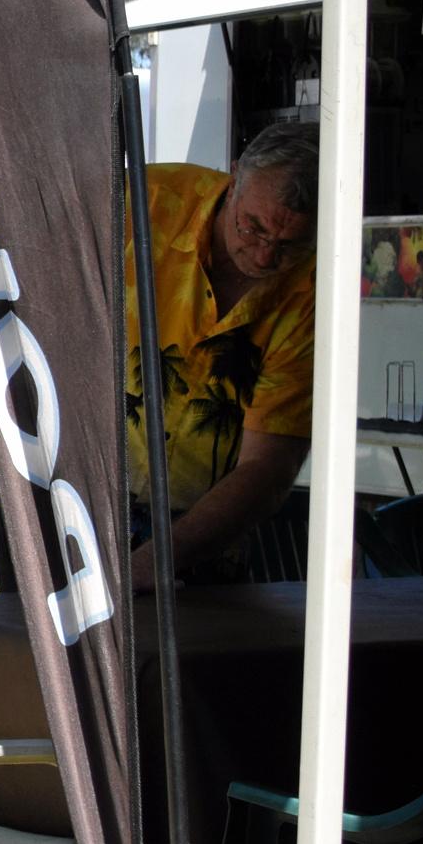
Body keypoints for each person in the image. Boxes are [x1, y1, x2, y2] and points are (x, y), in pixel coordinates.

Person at [126, 121, 318, 588]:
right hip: (76, 503)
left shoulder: (314, 293)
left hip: (205, 535)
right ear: (234, 180)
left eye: (289, 245)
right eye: (252, 228)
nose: (264, 256)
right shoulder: (146, 200)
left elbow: (268, 465)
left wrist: (159, 559)